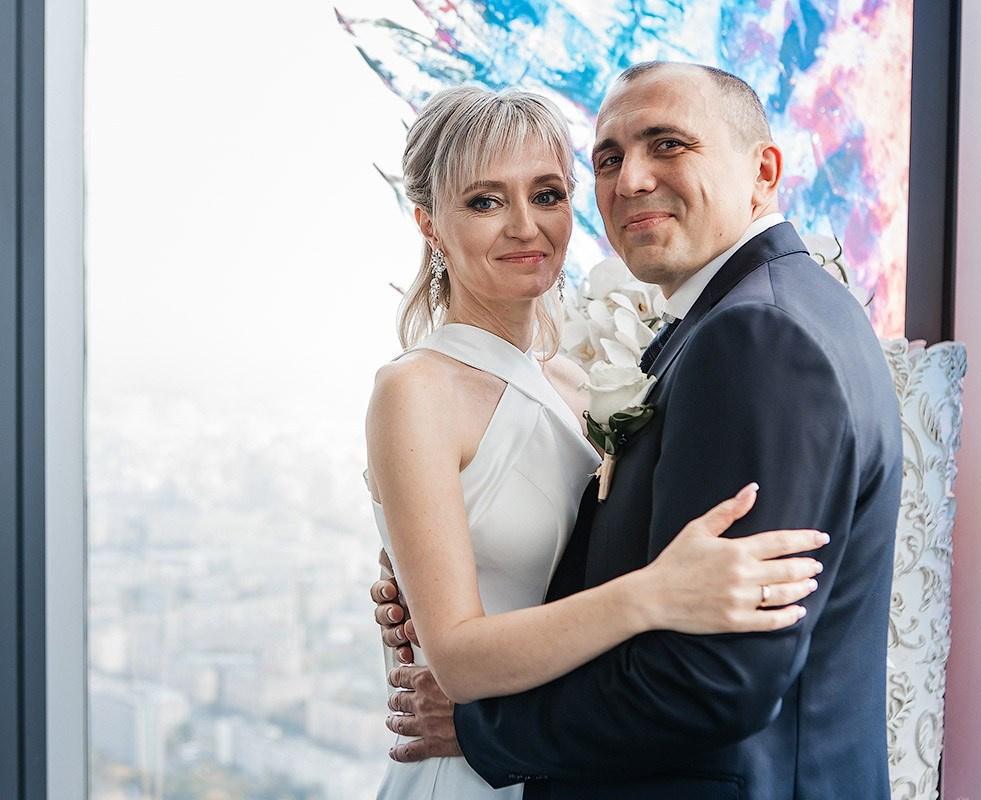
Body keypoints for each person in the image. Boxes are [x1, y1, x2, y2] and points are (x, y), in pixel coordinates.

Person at [373, 63, 903, 799]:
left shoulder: (723, 341)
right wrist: (425, 572)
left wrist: (484, 727)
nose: (631, 181)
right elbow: (480, 626)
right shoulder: (418, 389)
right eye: (485, 201)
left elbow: (717, 674)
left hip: (547, 754)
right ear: (429, 222)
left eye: (547, 195)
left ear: (763, 173)